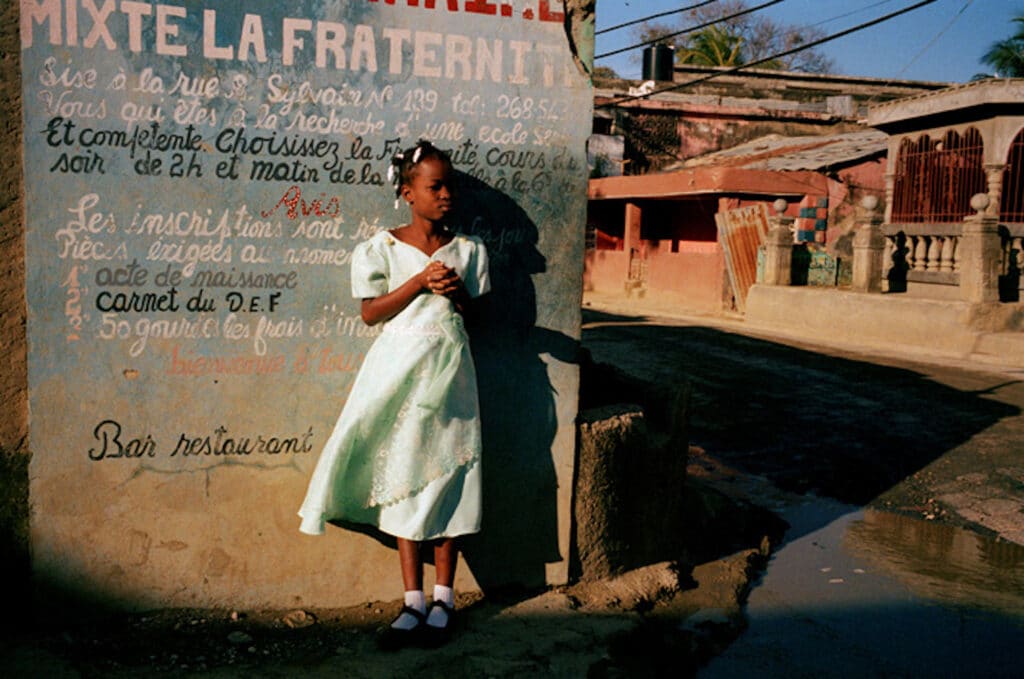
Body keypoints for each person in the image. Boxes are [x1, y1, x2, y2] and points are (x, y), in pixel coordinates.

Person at [298, 140, 490, 650]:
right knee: (403, 475)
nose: (447, 195)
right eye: (435, 186)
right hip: (399, 373)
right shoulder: (382, 248)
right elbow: (370, 313)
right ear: (408, 193)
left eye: (450, 185)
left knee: (451, 473)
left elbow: (481, 319)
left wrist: (456, 292)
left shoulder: (468, 251)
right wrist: (419, 282)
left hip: (451, 377)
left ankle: (445, 596)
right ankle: (412, 600)